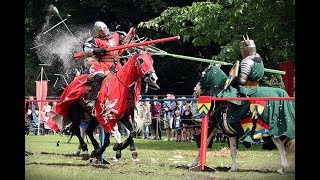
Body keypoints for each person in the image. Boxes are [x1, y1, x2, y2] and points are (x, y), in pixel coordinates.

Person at [83, 21, 130, 108]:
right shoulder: (94, 40)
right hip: (102, 64)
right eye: (101, 30)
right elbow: (86, 51)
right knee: (99, 76)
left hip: (116, 63)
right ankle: (92, 100)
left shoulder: (116, 35)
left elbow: (127, 41)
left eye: (105, 29)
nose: (104, 31)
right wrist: (97, 50)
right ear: (98, 31)